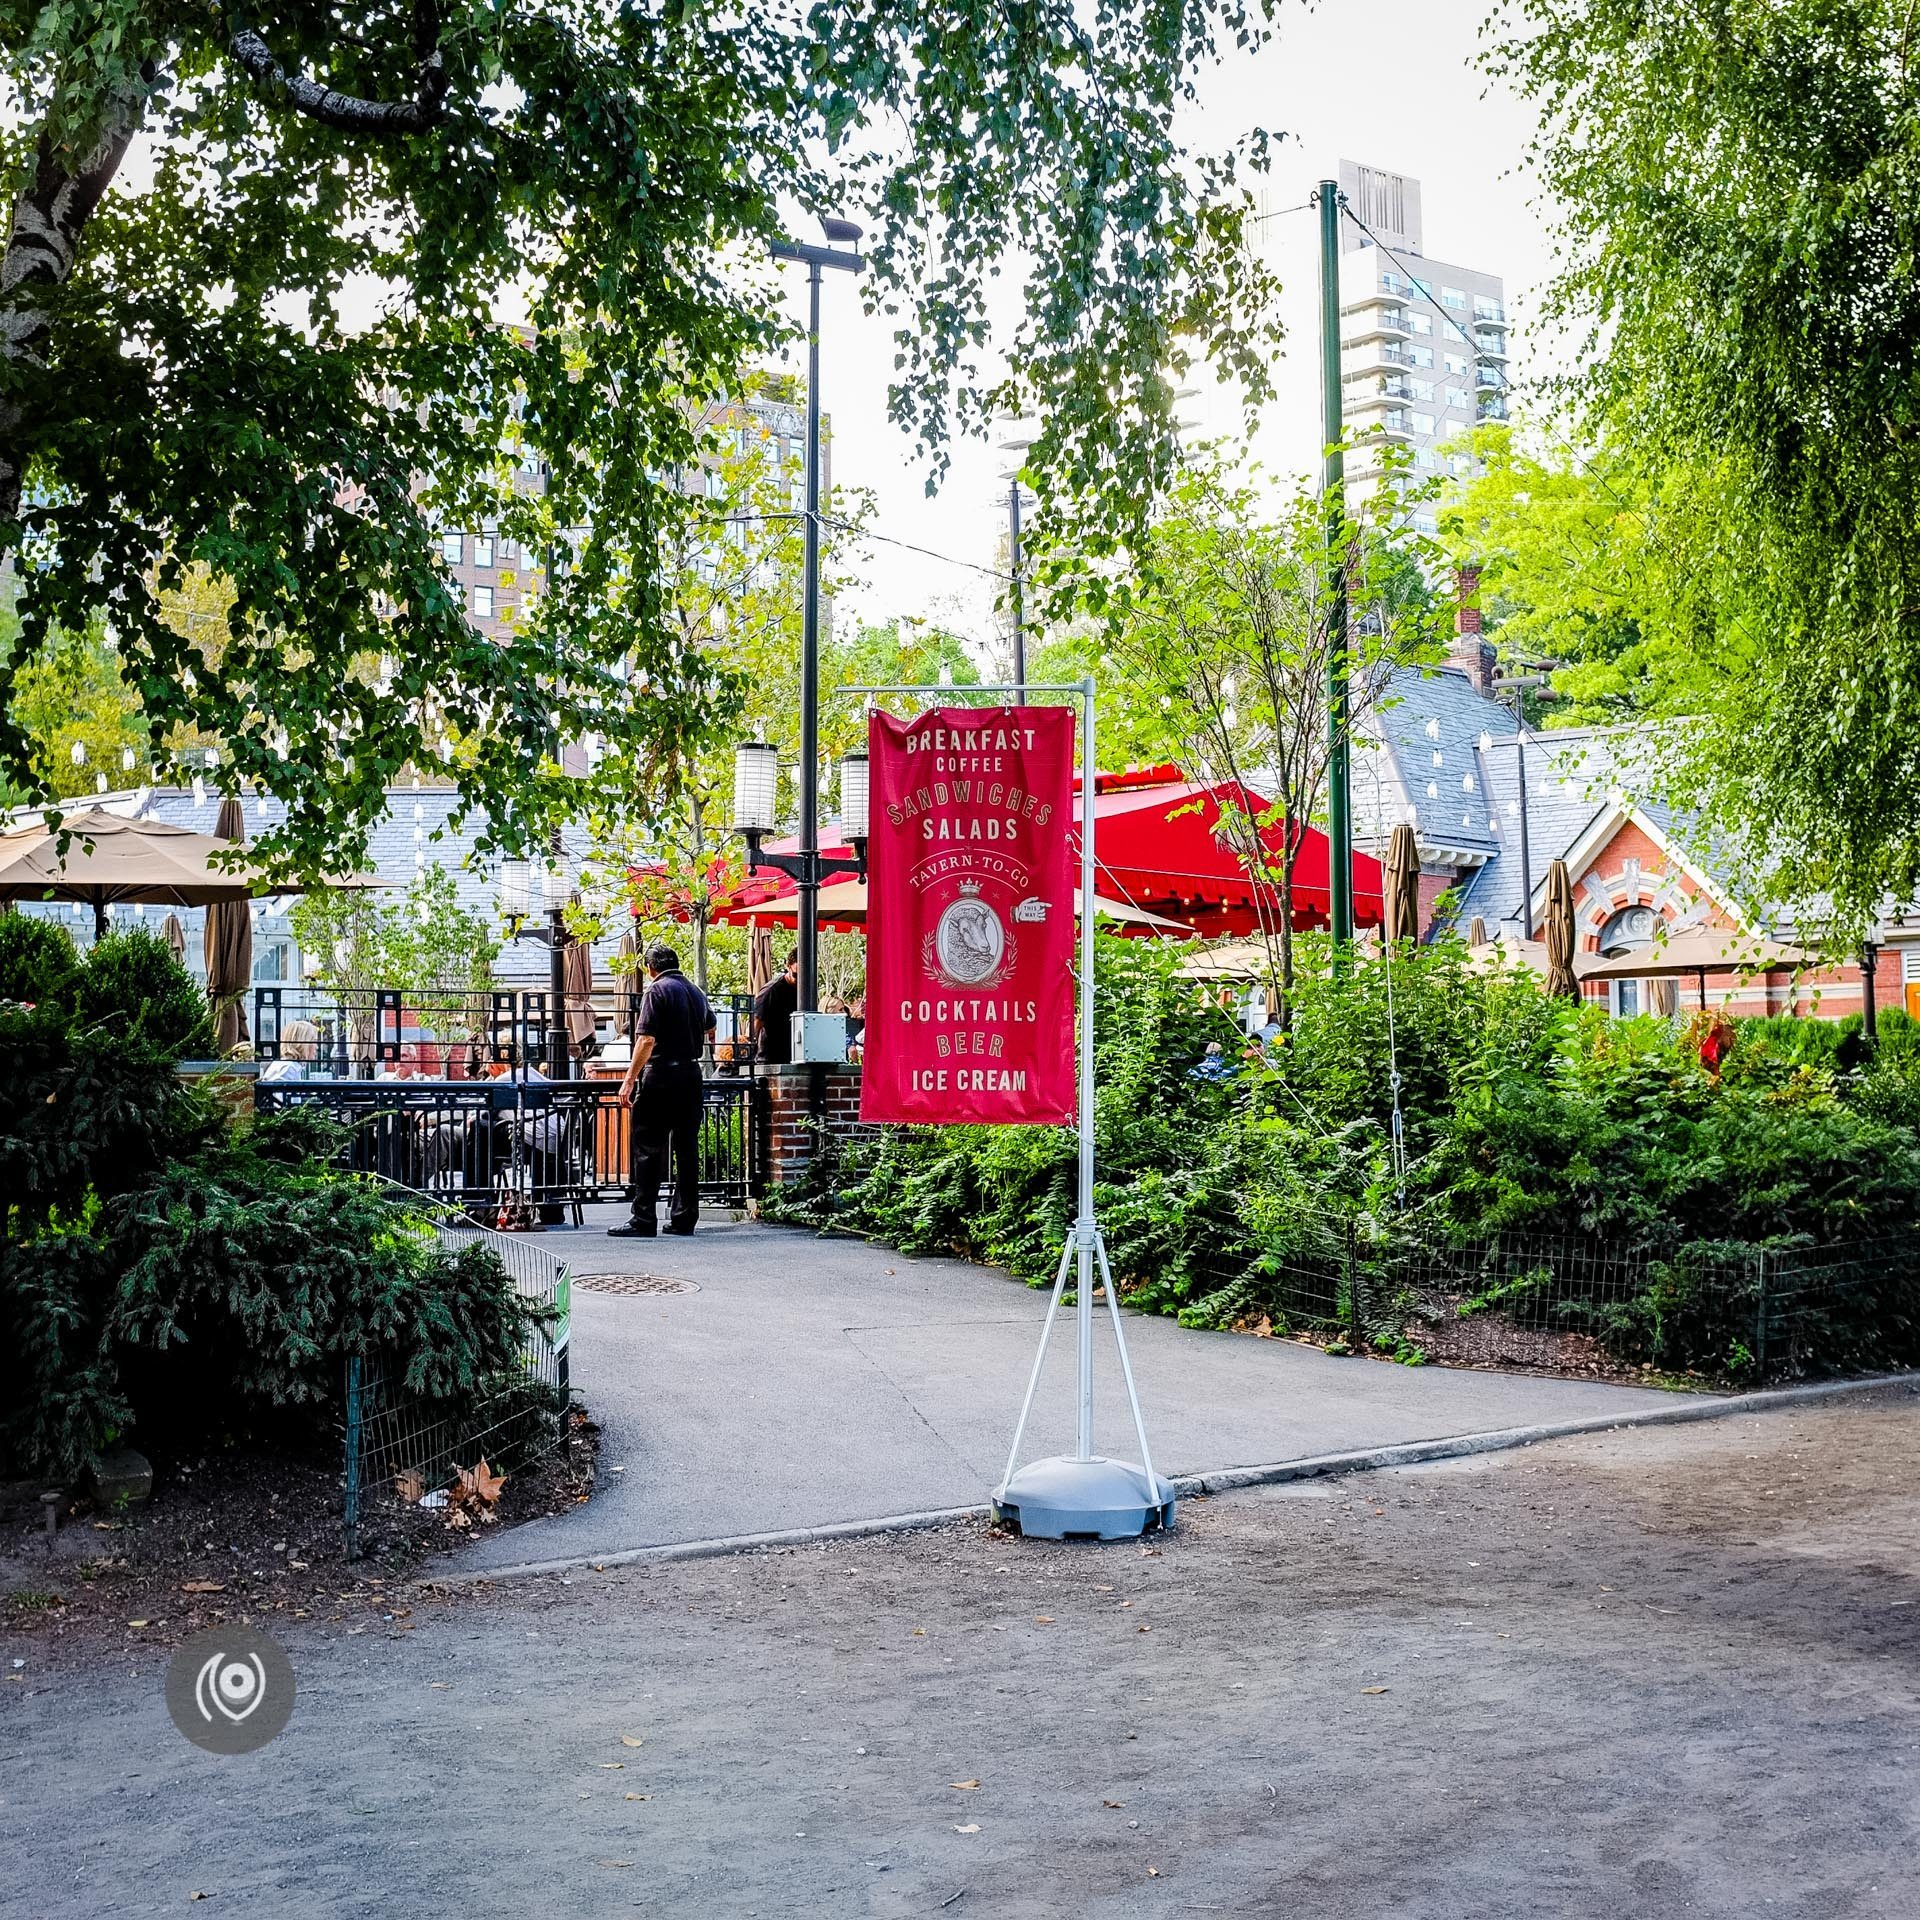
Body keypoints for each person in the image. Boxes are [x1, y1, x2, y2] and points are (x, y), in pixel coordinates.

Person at [610, 943, 715, 1238]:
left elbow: (646, 1040)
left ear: (650, 968)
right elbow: (710, 1024)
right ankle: (684, 1218)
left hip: (662, 1075)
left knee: (648, 1148)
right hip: (691, 1074)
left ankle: (643, 1218)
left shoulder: (656, 991)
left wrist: (629, 1079)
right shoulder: (695, 991)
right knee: (687, 1148)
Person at [752, 951, 799, 1064]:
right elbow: (757, 1021)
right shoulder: (772, 990)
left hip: (795, 1053)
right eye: (796, 975)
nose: (800, 979)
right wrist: (752, 1049)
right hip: (772, 1055)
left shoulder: (807, 990)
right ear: (788, 967)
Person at [259, 1018, 320, 1082]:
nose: (317, 1047)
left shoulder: (289, 1066)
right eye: (313, 1041)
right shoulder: (288, 1068)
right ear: (302, 1043)